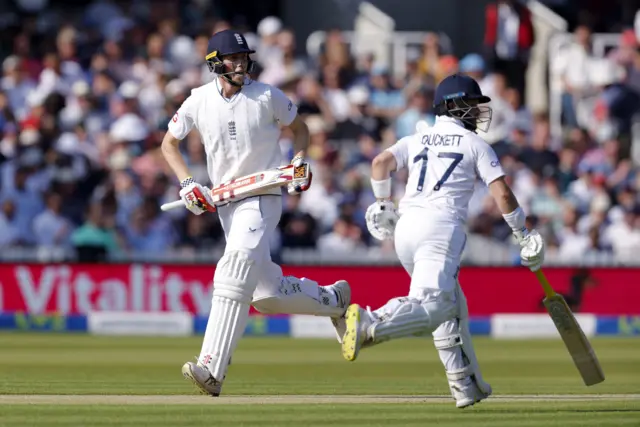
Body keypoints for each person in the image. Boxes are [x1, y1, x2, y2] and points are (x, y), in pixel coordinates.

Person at [161, 29, 351, 397]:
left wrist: (298, 161)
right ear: (216, 63)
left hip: (263, 196)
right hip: (226, 204)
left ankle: (212, 368)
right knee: (266, 295)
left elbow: (300, 129)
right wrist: (187, 184)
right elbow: (169, 145)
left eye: (245, 58)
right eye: (234, 59)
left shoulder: (267, 95)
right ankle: (333, 300)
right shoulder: (198, 100)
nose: (242, 65)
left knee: (232, 269)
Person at [339, 74, 545, 408]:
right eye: (471, 105)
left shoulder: (415, 138)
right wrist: (523, 235)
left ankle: (465, 384)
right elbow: (503, 193)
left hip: (405, 228)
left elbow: (379, 163)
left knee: (452, 306)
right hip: (440, 228)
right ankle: (369, 322)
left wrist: (381, 203)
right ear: (452, 105)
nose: (477, 112)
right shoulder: (474, 144)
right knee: (435, 305)